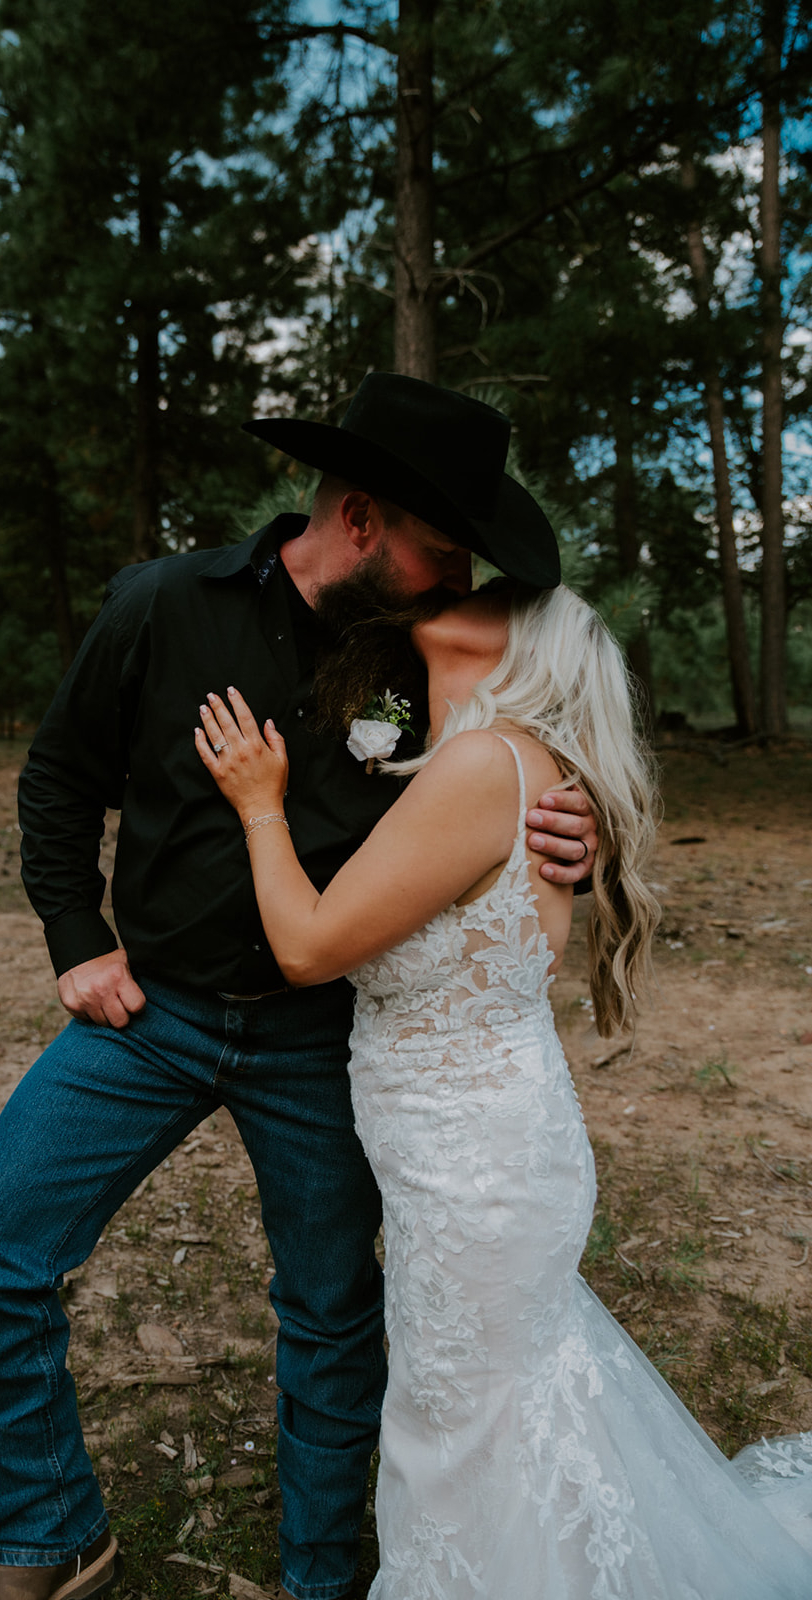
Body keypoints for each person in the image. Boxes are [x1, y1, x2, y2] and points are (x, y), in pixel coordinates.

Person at [0, 374, 599, 1600]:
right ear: (358, 520)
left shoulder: (427, 656)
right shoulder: (161, 604)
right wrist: (78, 936)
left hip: (323, 1037)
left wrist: (570, 837)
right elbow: (59, 777)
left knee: (332, 1315)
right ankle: (50, 1532)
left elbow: (502, 786)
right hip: (155, 1015)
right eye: (440, 554)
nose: (459, 584)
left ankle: (315, 1582)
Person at [194, 577, 812, 1597]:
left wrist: (259, 804)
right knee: (493, 1407)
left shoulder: (488, 764)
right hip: (482, 1153)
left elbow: (306, 946)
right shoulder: (465, 756)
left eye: (493, 594)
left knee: (459, 1417)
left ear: (527, 646)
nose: (452, 588)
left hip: (479, 1168)